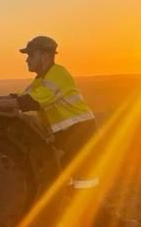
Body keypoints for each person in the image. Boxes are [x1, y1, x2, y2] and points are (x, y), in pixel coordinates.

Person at [14, 35, 100, 189]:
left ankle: (95, 212)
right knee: (64, 183)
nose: (27, 59)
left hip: (80, 134)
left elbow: (30, 102)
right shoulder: (41, 80)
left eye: (31, 55)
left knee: (83, 185)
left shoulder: (58, 75)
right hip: (66, 136)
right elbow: (19, 99)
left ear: (45, 56)